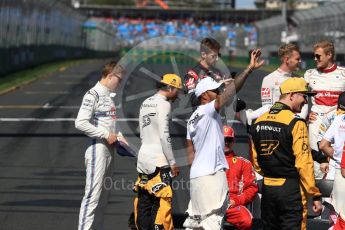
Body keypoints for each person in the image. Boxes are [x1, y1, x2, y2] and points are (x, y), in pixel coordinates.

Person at [183, 49, 262, 230]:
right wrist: (249, 69)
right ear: (204, 95)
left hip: (197, 177)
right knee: (212, 223)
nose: (219, 92)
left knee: (197, 223)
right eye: (215, 90)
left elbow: (190, 156)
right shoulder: (207, 110)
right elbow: (230, 93)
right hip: (211, 176)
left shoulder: (192, 119)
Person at [250, 77, 322, 230]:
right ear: (291, 95)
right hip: (290, 190)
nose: (305, 102)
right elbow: (304, 163)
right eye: (304, 96)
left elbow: (256, 161)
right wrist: (314, 194)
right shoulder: (296, 123)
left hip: (268, 189)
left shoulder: (258, 121)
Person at [75, 61, 125, 230]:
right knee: (93, 196)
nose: (120, 83)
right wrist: (105, 135)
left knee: (104, 197)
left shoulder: (108, 97)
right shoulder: (93, 94)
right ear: (110, 76)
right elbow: (80, 123)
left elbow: (109, 125)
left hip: (109, 150)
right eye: (119, 79)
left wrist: (120, 137)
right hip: (98, 148)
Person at [133, 74, 182, 230]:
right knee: (161, 202)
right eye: (177, 90)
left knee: (144, 202)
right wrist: (173, 162)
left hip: (143, 157)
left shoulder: (145, 102)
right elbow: (164, 135)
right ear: (170, 88)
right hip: (159, 160)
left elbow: (141, 132)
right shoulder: (164, 104)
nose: (178, 94)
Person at [304, 40, 345, 179]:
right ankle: (318, 197)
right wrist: (305, 115)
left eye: (318, 56)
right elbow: (299, 96)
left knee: (338, 155)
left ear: (329, 55)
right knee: (317, 162)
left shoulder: (343, 74)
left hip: (338, 121)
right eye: (314, 56)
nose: (315, 59)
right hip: (317, 120)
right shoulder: (309, 74)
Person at [239, 43, 306, 126]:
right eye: (297, 59)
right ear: (287, 60)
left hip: (294, 124)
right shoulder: (269, 79)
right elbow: (266, 108)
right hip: (277, 126)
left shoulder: (299, 80)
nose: (300, 61)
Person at [184, 37, 260, 109]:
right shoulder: (192, 74)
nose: (217, 59)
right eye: (213, 56)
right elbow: (193, 101)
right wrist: (217, 89)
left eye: (218, 55)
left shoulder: (218, 73)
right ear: (203, 54)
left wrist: (228, 86)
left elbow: (230, 93)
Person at [319, 91, 345, 230]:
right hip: (340, 168)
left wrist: (339, 156)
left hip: (338, 170)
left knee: (335, 214)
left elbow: (322, 145)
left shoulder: (338, 119)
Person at [223, 125, 258, 230]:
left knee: (247, 220)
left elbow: (252, 188)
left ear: (233, 141)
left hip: (233, 205)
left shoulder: (244, 163)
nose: (226, 142)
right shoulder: (208, 163)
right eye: (223, 139)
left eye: (229, 139)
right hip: (212, 206)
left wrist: (236, 200)